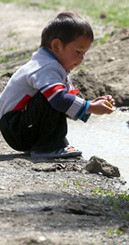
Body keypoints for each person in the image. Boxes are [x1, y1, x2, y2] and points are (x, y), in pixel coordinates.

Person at [0, 12, 114, 158]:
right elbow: (59, 100)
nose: (81, 59)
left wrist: (90, 105)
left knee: (58, 96)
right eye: (78, 51)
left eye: (84, 53)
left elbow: (65, 105)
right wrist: (89, 107)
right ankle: (49, 147)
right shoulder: (46, 67)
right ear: (57, 46)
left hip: (19, 126)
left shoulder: (53, 66)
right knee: (55, 97)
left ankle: (44, 145)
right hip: (16, 127)